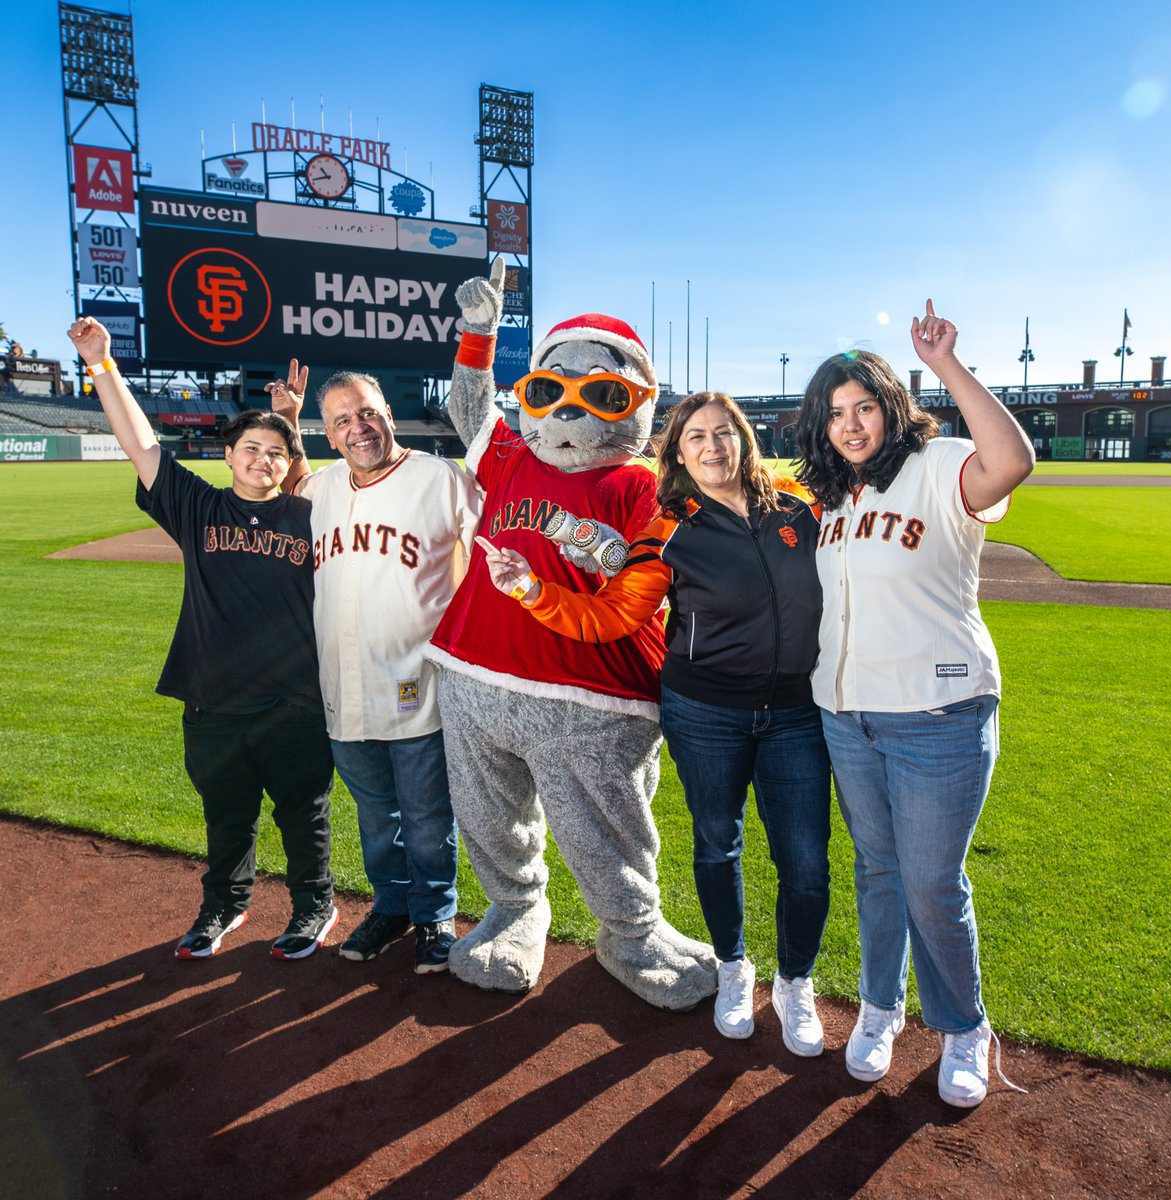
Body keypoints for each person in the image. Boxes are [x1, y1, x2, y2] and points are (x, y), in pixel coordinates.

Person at [477, 392, 832, 1054]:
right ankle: (734, 968)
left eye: (723, 432)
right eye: (696, 437)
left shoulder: (799, 506)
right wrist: (531, 589)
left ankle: (795, 982)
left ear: (744, 438)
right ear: (677, 453)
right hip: (706, 713)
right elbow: (611, 616)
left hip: (796, 714)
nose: (712, 446)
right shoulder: (669, 526)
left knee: (806, 861)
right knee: (717, 845)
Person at [795, 300, 1035, 1108]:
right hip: (847, 717)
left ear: (891, 407)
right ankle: (880, 1006)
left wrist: (946, 366)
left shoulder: (939, 464)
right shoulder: (834, 497)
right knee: (878, 871)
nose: (851, 424)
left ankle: (964, 1028)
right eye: (836, 412)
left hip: (939, 715)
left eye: (864, 406)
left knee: (932, 882)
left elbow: (1012, 461)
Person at [66, 317, 337, 961]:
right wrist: (102, 363)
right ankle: (225, 904)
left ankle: (313, 905)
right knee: (226, 815)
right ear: (228, 456)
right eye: (251, 448)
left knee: (304, 815)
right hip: (213, 699)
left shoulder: (313, 513)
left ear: (288, 462)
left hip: (297, 700)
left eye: (276, 452)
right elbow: (140, 443)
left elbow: (315, 478)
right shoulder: (199, 508)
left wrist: (291, 423)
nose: (263, 458)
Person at [269, 363, 480, 973]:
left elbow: (494, 549)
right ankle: (391, 907)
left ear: (388, 414)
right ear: (329, 433)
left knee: (426, 817)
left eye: (367, 413)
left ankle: (435, 913)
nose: (357, 428)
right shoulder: (322, 487)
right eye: (342, 421)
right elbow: (296, 481)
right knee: (375, 817)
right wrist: (288, 421)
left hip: (418, 682)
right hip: (342, 687)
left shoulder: (440, 477)